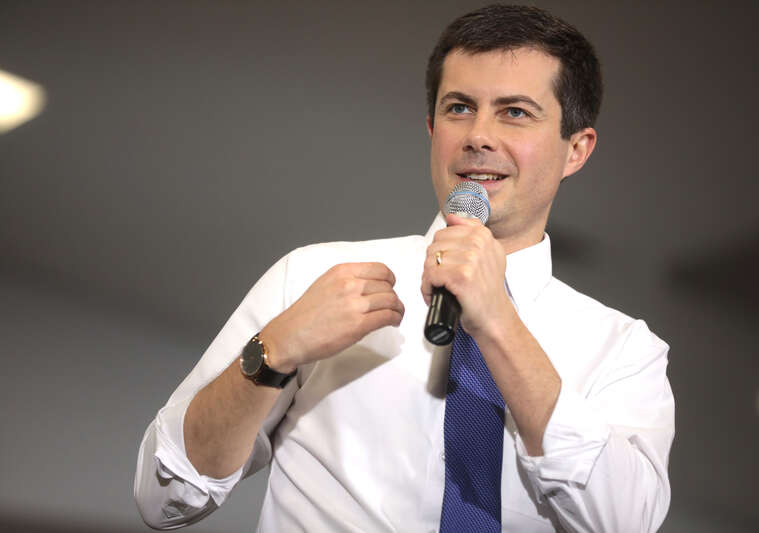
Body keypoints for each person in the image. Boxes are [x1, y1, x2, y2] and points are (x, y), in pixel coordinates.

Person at [134, 4, 674, 532]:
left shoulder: (624, 350)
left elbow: (623, 522)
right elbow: (166, 497)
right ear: (431, 128)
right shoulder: (314, 277)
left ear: (576, 149)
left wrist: (498, 322)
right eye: (459, 107)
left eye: (514, 112)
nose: (477, 135)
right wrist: (273, 351)